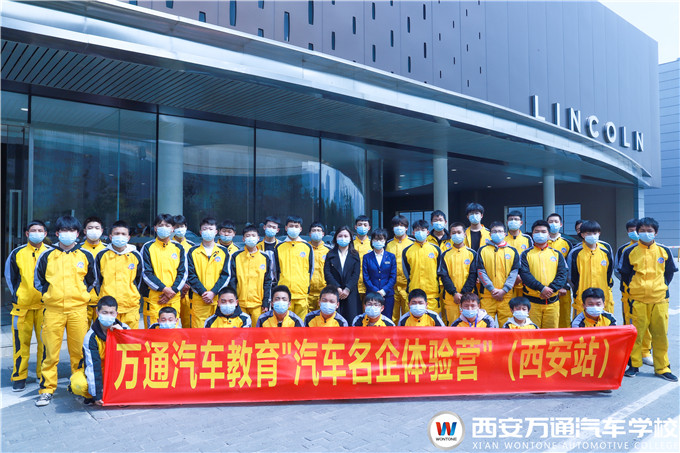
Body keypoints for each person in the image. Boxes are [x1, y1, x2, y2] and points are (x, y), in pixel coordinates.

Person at [34, 215, 96, 407]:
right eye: (64, 230)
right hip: (53, 311)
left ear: (77, 233)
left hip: (78, 310)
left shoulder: (85, 255)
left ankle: (78, 387)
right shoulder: (47, 255)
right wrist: (50, 294)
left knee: (78, 352)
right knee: (50, 352)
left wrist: (80, 294)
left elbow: (92, 280)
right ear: (57, 233)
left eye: (71, 230)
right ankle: (46, 389)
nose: (67, 234)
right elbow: (39, 281)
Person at [620, 217, 678, 381]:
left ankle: (662, 368)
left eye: (649, 230)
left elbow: (669, 273)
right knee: (635, 335)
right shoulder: (629, 252)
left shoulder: (664, 251)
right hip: (637, 300)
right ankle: (634, 365)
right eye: (642, 231)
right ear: (638, 232)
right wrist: (635, 288)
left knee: (660, 335)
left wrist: (661, 286)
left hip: (660, 300)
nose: (646, 233)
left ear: (656, 232)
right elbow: (625, 274)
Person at [4, 220, 51, 392]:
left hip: (45, 307)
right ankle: (19, 376)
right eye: (33, 230)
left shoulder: (51, 253)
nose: (36, 233)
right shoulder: (17, 253)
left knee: (45, 344)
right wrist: (19, 295)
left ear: (45, 234)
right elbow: (10, 277)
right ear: (27, 234)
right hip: (22, 308)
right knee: (20, 344)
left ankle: (42, 374)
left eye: (40, 230)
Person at [69, 296, 128, 405]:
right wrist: (97, 395)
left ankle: (115, 392)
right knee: (78, 385)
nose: (108, 316)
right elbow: (93, 367)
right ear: (97, 312)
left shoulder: (124, 328)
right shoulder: (90, 337)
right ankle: (93, 394)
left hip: (117, 371)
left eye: (111, 313)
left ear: (116, 314)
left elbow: (137, 353)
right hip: (98, 370)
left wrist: (123, 335)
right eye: (104, 312)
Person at [615, 218, 652, 366]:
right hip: (628, 294)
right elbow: (618, 271)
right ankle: (630, 353)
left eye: (637, 230)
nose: (635, 233)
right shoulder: (624, 249)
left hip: (649, 295)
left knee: (647, 324)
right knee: (630, 324)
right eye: (631, 230)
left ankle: (645, 352)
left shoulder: (653, 248)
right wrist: (631, 285)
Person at [140, 213, 188, 328]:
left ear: (172, 229)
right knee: (153, 334)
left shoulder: (178, 248)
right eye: (161, 225)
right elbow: (146, 273)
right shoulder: (147, 247)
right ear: (155, 228)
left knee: (172, 333)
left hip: (173, 299)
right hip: (154, 299)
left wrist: (173, 291)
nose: (164, 228)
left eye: (167, 225)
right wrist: (164, 289)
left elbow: (183, 273)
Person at [518, 220, 568, 329]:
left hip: (552, 303)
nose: (540, 234)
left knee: (551, 334)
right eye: (537, 231)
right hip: (532, 303)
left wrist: (550, 289)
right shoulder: (525, 254)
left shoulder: (557, 254)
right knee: (531, 334)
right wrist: (541, 288)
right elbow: (525, 275)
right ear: (532, 234)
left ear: (549, 234)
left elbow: (562, 274)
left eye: (543, 231)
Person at [95, 220, 143, 329]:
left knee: (130, 338)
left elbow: (139, 280)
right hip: (108, 308)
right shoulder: (102, 255)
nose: (120, 236)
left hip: (130, 307)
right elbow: (97, 281)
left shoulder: (135, 255)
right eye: (117, 233)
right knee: (107, 338)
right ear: (111, 236)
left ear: (128, 237)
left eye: (123, 234)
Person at [187, 217, 231, 328]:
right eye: (205, 229)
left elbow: (225, 275)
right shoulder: (192, 251)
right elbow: (191, 275)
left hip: (218, 298)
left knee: (218, 331)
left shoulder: (223, 251)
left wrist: (213, 292)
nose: (208, 231)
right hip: (199, 299)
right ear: (200, 232)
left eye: (211, 229)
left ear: (216, 232)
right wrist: (203, 293)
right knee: (199, 332)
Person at [475, 221, 520, 327]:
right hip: (487, 295)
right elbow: (480, 271)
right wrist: (492, 289)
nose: (497, 233)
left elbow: (514, 272)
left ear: (505, 234)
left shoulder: (512, 251)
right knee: (485, 326)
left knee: (507, 327)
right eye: (494, 231)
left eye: (500, 231)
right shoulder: (482, 250)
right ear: (490, 234)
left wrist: (504, 290)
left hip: (506, 296)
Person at [568, 220, 614, 316]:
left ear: (599, 233)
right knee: (582, 322)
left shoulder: (605, 252)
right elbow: (571, 276)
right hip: (581, 296)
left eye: (594, 233)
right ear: (582, 234)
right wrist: (577, 289)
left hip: (602, 294)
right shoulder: (575, 253)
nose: (592, 236)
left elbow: (609, 273)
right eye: (588, 233)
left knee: (603, 322)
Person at [229, 224, 272, 326]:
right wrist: (234, 299)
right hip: (240, 303)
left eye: (253, 235)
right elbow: (232, 280)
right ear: (243, 239)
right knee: (240, 330)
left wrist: (265, 302)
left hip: (258, 304)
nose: (251, 238)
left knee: (258, 331)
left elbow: (267, 281)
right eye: (248, 236)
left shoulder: (264, 257)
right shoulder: (236, 256)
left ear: (258, 238)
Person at [274, 215, 314, 318]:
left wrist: (305, 285)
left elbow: (311, 269)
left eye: (296, 226)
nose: (294, 228)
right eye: (291, 226)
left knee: (301, 323)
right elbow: (275, 270)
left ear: (300, 229)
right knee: (284, 321)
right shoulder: (279, 247)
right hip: (284, 294)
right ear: (286, 228)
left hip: (301, 293)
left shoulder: (307, 247)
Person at [438, 221, 478, 325]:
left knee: (470, 326)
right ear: (450, 235)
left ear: (464, 234)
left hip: (469, 298)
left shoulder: (472, 254)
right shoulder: (445, 255)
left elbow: (473, 275)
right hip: (451, 298)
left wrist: (464, 294)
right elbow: (444, 276)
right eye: (454, 233)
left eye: (459, 232)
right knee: (452, 326)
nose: (456, 235)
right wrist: (454, 293)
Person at [403, 219, 442, 313]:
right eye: (417, 230)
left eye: (423, 230)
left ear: (427, 232)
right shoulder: (407, 251)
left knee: (432, 320)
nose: (420, 232)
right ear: (413, 232)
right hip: (414, 292)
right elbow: (406, 272)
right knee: (414, 319)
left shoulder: (435, 249)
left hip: (432, 293)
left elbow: (439, 270)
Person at [324, 226, 361, 322]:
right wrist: (337, 288)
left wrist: (347, 288)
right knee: (335, 320)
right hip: (334, 292)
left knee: (351, 319)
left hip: (350, 292)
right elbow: (327, 273)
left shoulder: (355, 254)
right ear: (336, 238)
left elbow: (356, 274)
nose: (343, 238)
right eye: (340, 236)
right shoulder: (330, 254)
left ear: (350, 238)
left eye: (346, 236)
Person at [546, 213, 574, 328]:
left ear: (561, 224)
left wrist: (564, 286)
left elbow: (569, 267)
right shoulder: (541, 242)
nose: (553, 224)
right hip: (545, 288)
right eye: (550, 222)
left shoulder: (566, 243)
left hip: (563, 289)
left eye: (556, 222)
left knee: (564, 318)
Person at [362, 228, 397, 317]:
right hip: (371, 295)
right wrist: (375, 291)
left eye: (381, 239)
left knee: (387, 318)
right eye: (376, 239)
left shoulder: (391, 257)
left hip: (387, 294)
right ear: (372, 241)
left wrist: (384, 291)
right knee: (371, 317)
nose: (378, 241)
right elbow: (366, 277)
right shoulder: (366, 257)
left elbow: (393, 277)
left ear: (385, 241)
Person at [386, 214, 414, 323]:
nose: (399, 227)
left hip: (407, 287)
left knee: (409, 316)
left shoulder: (412, 243)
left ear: (406, 228)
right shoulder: (388, 244)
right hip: (392, 287)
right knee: (392, 317)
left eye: (402, 225)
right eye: (396, 225)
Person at [82, 216, 107, 326]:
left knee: (104, 333)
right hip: (83, 302)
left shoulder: (108, 250)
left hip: (103, 302)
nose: (94, 230)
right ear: (84, 231)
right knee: (82, 334)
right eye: (90, 228)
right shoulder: (78, 250)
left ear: (102, 230)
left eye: (97, 228)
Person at [173, 215, 195, 329]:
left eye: (181, 226)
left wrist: (188, 284)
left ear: (186, 227)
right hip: (173, 290)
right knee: (172, 322)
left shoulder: (192, 246)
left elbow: (195, 269)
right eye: (176, 226)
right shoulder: (169, 245)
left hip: (189, 291)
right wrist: (178, 286)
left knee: (189, 323)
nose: (179, 229)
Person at [504, 210, 533, 297]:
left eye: (516, 219)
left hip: (523, 279)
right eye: (511, 219)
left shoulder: (527, 239)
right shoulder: (502, 238)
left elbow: (530, 258)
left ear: (521, 223)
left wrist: (521, 275)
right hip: (506, 280)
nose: (513, 221)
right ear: (507, 222)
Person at [308, 222, 330, 312]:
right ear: (310, 234)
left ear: (323, 234)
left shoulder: (329, 250)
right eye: (314, 230)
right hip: (307, 292)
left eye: (318, 230)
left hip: (324, 292)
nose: (316, 232)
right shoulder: (305, 248)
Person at [353, 215, 373, 303]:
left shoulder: (373, 244)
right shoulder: (350, 244)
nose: (362, 227)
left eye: (365, 225)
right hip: (353, 286)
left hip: (370, 286)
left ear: (369, 228)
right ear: (355, 227)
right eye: (360, 224)